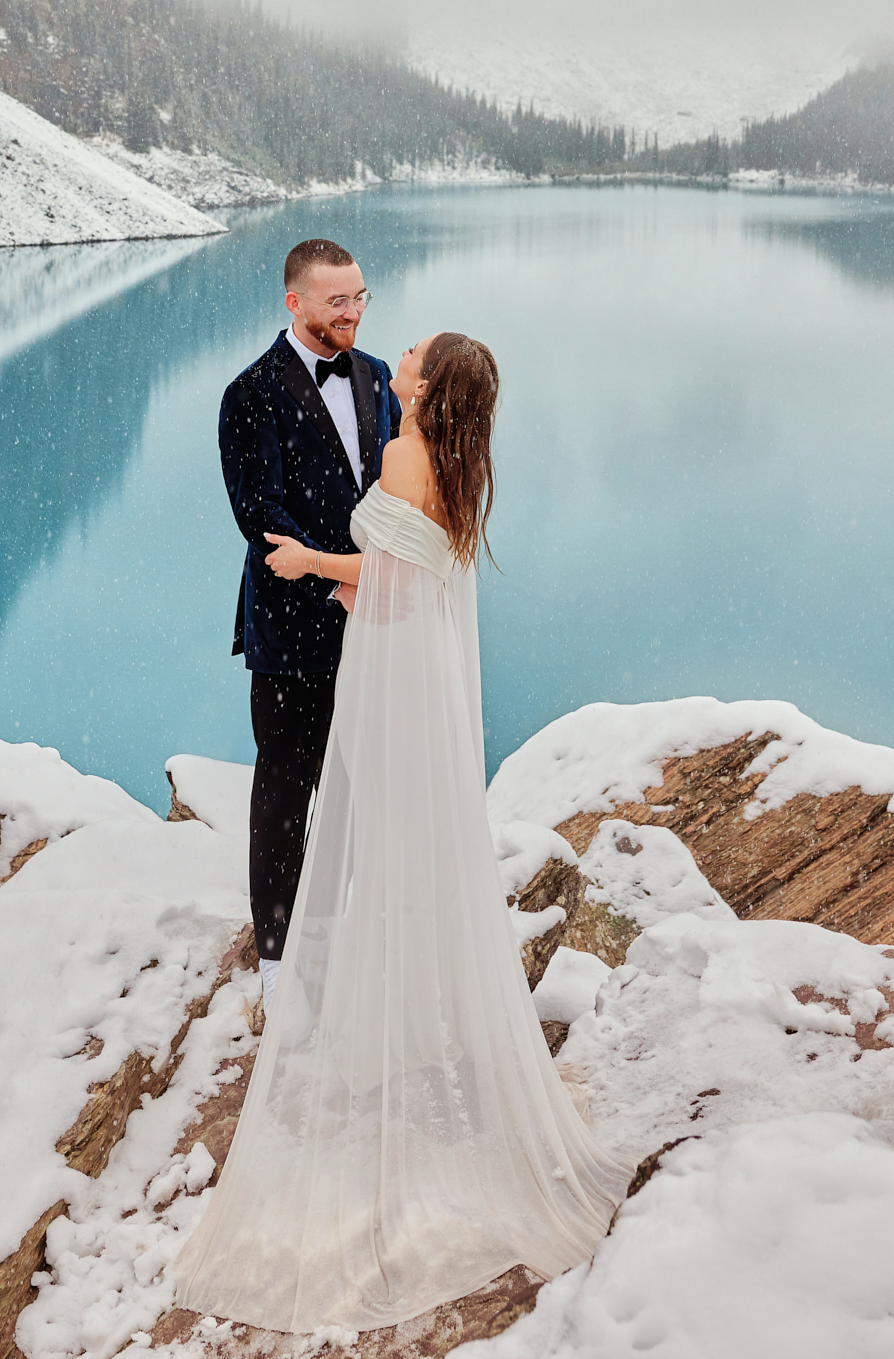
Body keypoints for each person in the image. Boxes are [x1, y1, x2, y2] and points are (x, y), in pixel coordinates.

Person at [177, 332, 625, 1332]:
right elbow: (418, 568)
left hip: (388, 662)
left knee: (370, 820)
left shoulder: (400, 451)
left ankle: (383, 1017)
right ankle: (423, 1001)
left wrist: (304, 560)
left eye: (414, 348)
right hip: (419, 659)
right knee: (411, 827)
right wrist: (352, 581)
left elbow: (380, 563)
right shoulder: (460, 457)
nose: (399, 345)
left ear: (428, 382)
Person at [218, 238, 402, 1013]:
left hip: (378, 624)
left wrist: (373, 579)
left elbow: (395, 489)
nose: (352, 312)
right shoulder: (249, 392)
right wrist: (336, 585)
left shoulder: (378, 376)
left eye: (359, 296)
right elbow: (258, 514)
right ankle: (276, 957)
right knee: (285, 795)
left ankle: (359, 938)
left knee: (369, 789)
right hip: (292, 634)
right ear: (294, 302)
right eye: (337, 301)